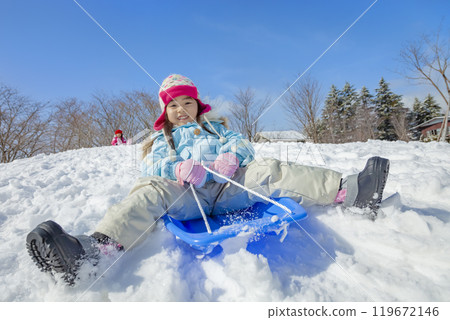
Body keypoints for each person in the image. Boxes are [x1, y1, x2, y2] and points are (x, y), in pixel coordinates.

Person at [26, 74, 390, 284]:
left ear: (199, 106)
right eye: (173, 105)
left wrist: (234, 157)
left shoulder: (217, 130)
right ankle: (93, 252)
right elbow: (155, 165)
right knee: (149, 192)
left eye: (187, 102)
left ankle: (349, 191)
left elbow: (243, 146)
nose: (181, 109)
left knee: (271, 170)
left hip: (232, 189)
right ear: (165, 113)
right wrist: (177, 169)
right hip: (190, 198)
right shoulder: (161, 139)